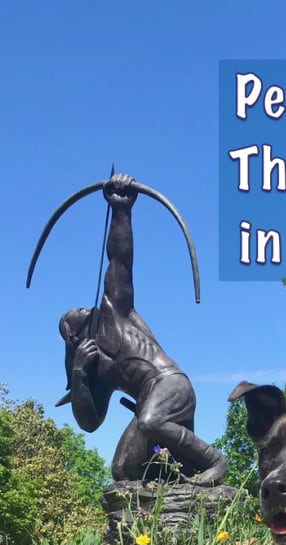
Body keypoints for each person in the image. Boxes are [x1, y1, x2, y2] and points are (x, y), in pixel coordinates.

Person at [58, 173, 227, 485]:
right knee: (123, 472)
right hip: (151, 403)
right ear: (73, 334)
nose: (85, 308)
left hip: (171, 386)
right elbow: (90, 422)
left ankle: (216, 460)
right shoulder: (95, 366)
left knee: (150, 420)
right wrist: (80, 374)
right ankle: (176, 480)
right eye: (76, 313)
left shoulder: (115, 313)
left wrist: (121, 211)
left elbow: (119, 260)